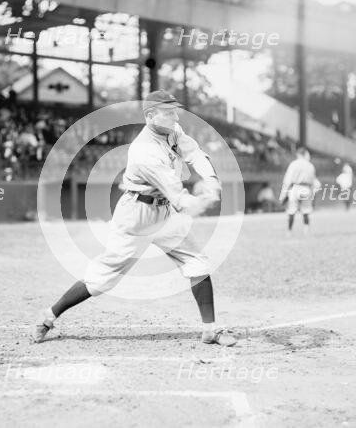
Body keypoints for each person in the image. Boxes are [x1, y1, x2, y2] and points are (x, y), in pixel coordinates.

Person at [32, 90, 236, 346]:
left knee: (198, 263)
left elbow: (194, 153)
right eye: (168, 111)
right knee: (101, 279)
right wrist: (202, 201)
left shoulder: (172, 130)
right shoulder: (144, 152)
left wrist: (212, 181)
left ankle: (210, 330)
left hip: (164, 213)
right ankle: (49, 315)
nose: (175, 115)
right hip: (137, 215)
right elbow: (177, 195)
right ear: (150, 116)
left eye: (175, 110)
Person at [279, 147, 321, 235]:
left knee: (291, 210)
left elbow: (287, 180)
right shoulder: (310, 165)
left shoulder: (293, 164)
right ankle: (306, 230)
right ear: (304, 154)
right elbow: (314, 181)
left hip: (295, 187)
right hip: (306, 188)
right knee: (306, 210)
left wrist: (283, 195)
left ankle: (289, 231)